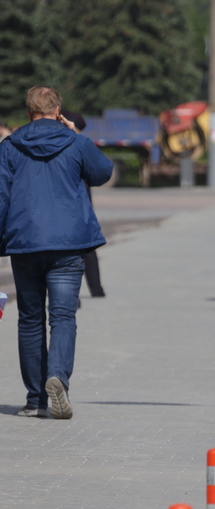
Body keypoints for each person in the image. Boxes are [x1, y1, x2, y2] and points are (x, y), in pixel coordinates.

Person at [0, 86, 113, 419]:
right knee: (63, 317)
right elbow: (102, 172)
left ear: (28, 111)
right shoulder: (75, 141)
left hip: (26, 243)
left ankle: (35, 399)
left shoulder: (10, 147)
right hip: (67, 243)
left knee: (30, 319)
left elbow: (1, 197)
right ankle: (58, 376)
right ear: (58, 109)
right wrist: (76, 135)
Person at [62, 111, 106, 299]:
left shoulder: (73, 144)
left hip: (70, 204)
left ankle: (79, 293)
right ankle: (96, 290)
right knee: (86, 249)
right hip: (82, 204)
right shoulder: (81, 145)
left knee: (69, 251)